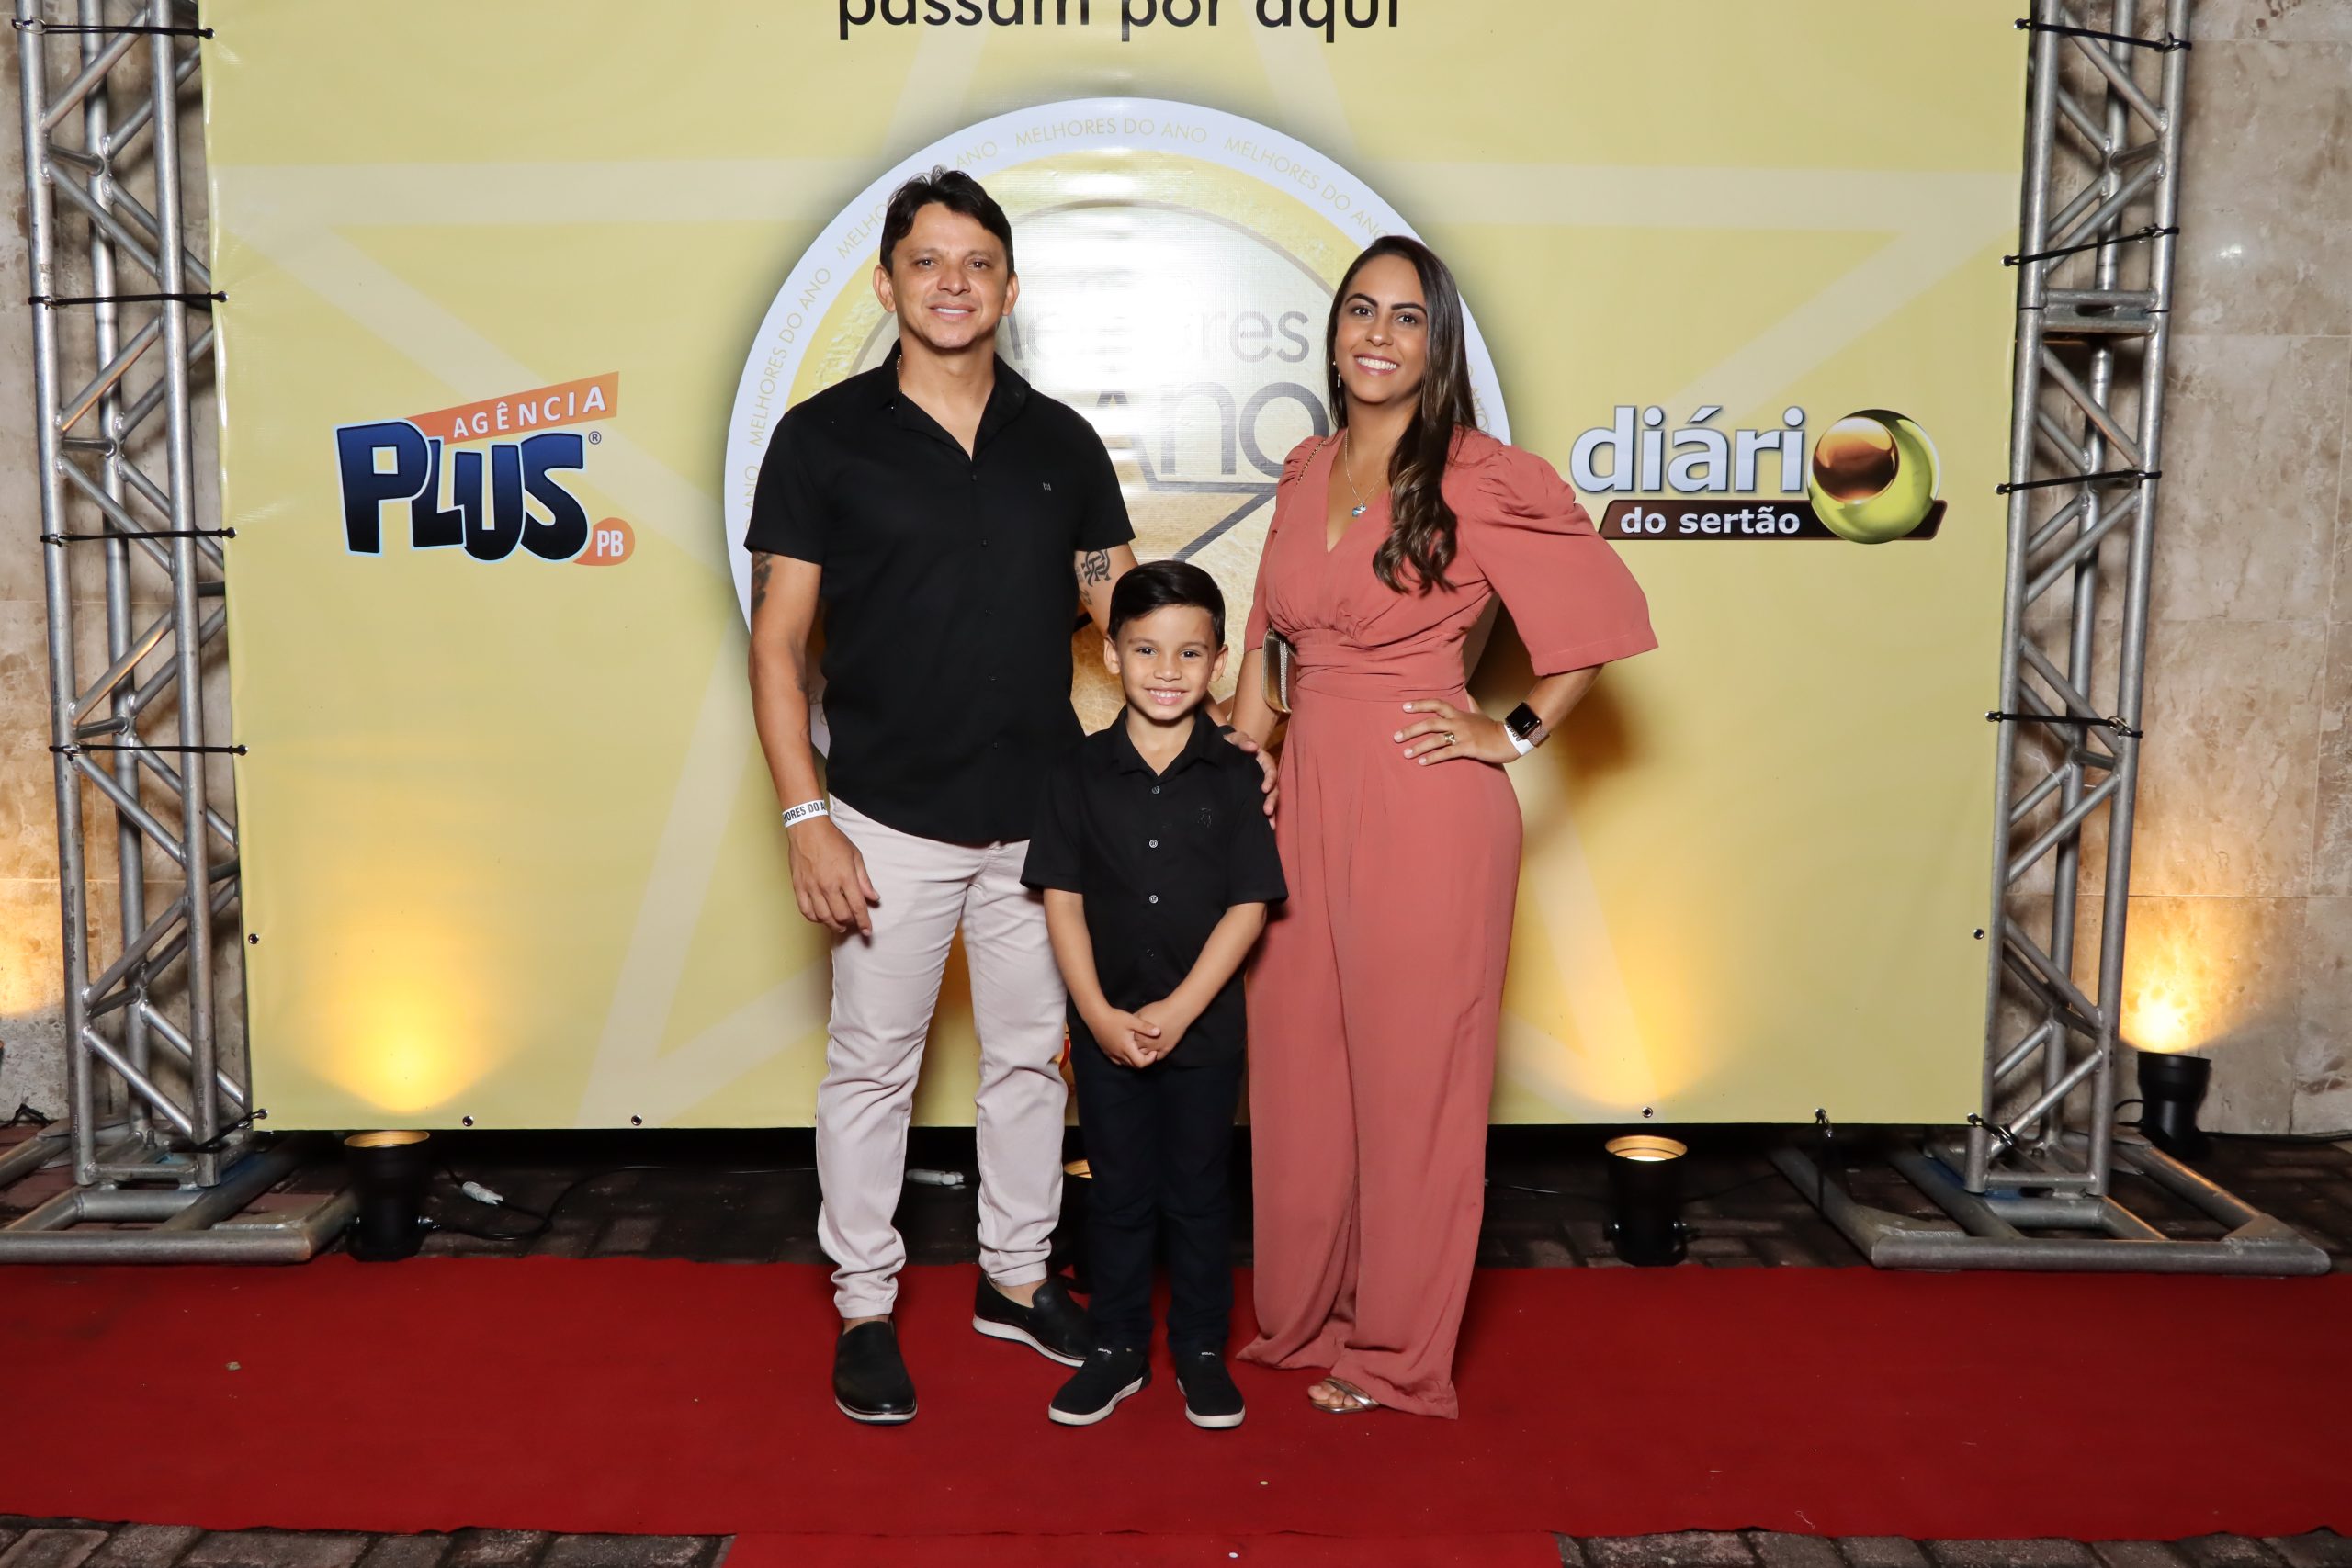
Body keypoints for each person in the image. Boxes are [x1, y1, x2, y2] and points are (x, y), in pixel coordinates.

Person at [1226, 236, 1657, 1418]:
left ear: (1437, 343)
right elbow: (1269, 646)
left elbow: (1598, 622)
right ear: (1333, 332)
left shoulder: (1476, 473)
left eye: (1407, 317)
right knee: (1298, 1070)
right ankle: (1304, 1317)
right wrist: (1240, 761)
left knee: (1413, 1081)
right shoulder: (1305, 467)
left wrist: (1505, 732)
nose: (1378, 334)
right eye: (1360, 311)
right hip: (1301, 795)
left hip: (1424, 805)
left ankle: (1392, 1351)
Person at [744, 167, 1140, 1425]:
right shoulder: (821, 439)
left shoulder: (1061, 442)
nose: (952, 282)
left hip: (1040, 817)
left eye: (977, 263)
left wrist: (1221, 702)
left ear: (1010, 290)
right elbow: (776, 646)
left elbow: (1125, 613)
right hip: (883, 817)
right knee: (873, 1070)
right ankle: (865, 1306)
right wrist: (806, 818)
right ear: (887, 283)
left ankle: (1014, 1279)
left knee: (1030, 1060)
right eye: (927, 260)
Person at [1021, 561, 1287, 1429]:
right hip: (1106, 1031)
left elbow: (1250, 905)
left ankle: (1201, 1348)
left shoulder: (1238, 774)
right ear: (1110, 654)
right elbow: (1061, 898)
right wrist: (1098, 1013)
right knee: (1120, 1193)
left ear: (1218, 662)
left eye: (1189, 652)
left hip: (1203, 1032)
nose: (1166, 670)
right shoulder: (1075, 771)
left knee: (1200, 1194)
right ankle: (1117, 1346)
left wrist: (1180, 1010)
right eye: (1145, 650)